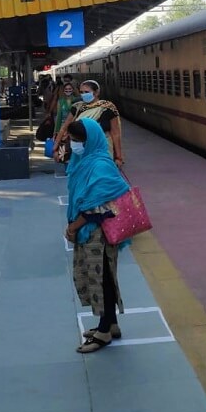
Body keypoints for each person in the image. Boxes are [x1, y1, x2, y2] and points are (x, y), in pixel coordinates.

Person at [65, 119, 131, 353]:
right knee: (105, 277)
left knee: (100, 279)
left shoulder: (100, 165)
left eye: (77, 140)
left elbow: (100, 208)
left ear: (90, 140)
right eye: (72, 140)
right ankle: (110, 323)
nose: (74, 145)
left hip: (98, 234)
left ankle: (103, 332)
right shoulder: (85, 161)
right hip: (91, 232)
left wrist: (74, 226)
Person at [54, 80, 125, 167]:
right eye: (81, 92)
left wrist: (118, 157)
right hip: (81, 151)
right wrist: (55, 148)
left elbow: (115, 133)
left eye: (86, 92)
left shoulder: (108, 108)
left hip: (102, 150)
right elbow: (64, 128)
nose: (83, 94)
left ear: (96, 92)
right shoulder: (77, 107)